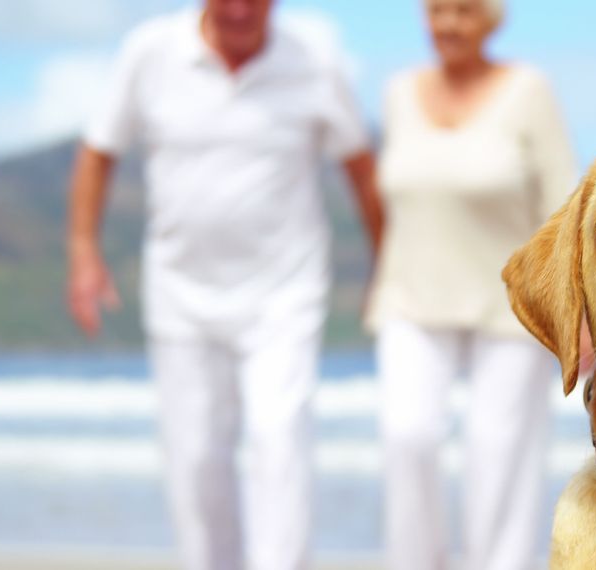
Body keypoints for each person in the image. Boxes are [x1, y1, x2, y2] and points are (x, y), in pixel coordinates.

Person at [65, 1, 382, 568]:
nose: (239, 10)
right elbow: (98, 153)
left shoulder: (314, 58)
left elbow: (359, 167)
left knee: (279, 445)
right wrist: (84, 252)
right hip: (180, 296)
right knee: (194, 461)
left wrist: (384, 264)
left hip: (284, 294)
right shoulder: (150, 51)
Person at [366, 0, 578, 568]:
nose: (448, 25)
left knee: (497, 453)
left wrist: (573, 308)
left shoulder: (528, 90)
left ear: (489, 20)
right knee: (407, 437)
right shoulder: (398, 93)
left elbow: (563, 203)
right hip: (409, 296)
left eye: (463, 11)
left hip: (506, 305)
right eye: (437, 11)